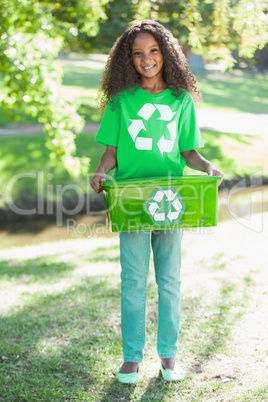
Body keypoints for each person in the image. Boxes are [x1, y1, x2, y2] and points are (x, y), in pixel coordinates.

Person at [90, 20, 223, 384]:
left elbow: (189, 151)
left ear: (166, 53)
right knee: (132, 280)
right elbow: (110, 154)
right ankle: (131, 358)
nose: (146, 59)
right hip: (131, 200)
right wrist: (102, 174)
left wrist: (207, 165)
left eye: (153, 51)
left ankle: (168, 357)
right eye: (137, 53)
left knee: (170, 280)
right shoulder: (120, 101)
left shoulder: (181, 100)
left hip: (171, 198)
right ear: (127, 59)